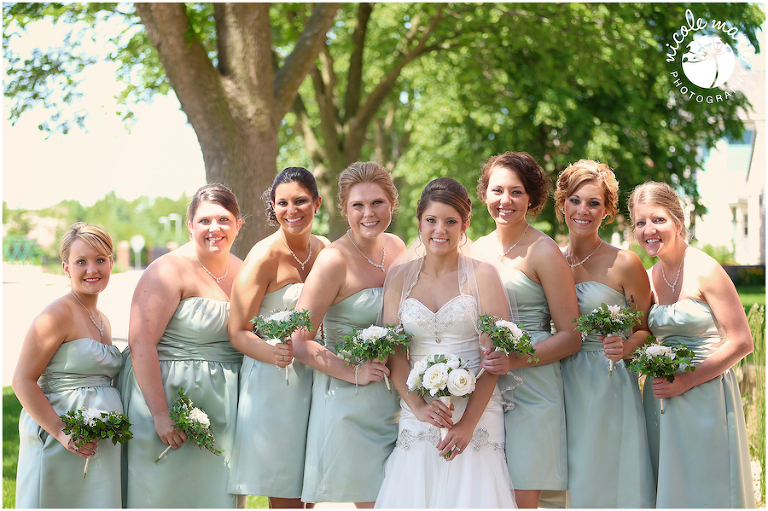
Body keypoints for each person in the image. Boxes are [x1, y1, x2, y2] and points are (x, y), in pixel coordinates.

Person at [374, 178, 517, 508]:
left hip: (477, 412)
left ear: (465, 224)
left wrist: (467, 425)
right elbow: (395, 352)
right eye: (431, 220)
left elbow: (494, 358)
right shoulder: (399, 277)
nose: (440, 230)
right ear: (419, 221)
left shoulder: (483, 276)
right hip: (418, 410)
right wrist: (419, 407)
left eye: (451, 221)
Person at [629, 181, 755, 508]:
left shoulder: (706, 269)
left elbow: (742, 342)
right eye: (640, 222)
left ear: (678, 221)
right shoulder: (647, 278)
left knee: (708, 485)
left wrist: (687, 380)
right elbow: (643, 335)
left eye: (658, 219)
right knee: (671, 487)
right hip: (660, 398)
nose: (648, 230)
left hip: (705, 392)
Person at [121, 184, 244, 508]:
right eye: (205, 221)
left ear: (238, 224)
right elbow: (140, 341)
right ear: (190, 227)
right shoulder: (167, 270)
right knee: (164, 495)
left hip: (224, 406)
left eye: (224, 219)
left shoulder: (244, 271)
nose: (215, 228)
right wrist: (161, 414)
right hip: (169, 397)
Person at [292, 161, 406, 507]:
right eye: (358, 205)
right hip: (350, 400)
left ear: (392, 203)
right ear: (344, 209)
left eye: (377, 203)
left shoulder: (398, 247)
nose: (368, 213)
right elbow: (299, 341)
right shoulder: (333, 261)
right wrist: (354, 371)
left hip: (397, 400)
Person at [472, 151, 580, 508]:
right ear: (484, 194)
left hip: (533, 385)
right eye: (497, 190)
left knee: (523, 495)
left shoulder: (544, 251)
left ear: (531, 198)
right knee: (485, 491)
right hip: (483, 383)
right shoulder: (475, 249)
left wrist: (515, 361)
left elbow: (571, 336)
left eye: (516, 192)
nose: (505, 200)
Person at [554, 160, 655, 508]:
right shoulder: (551, 260)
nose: (583, 210)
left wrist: (625, 348)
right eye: (575, 200)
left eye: (594, 203)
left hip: (607, 383)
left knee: (605, 480)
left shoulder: (625, 263)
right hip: (558, 380)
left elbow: (646, 330)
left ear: (607, 211)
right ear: (562, 204)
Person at [227, 167, 329, 508]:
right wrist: (273, 354)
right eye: (282, 203)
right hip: (276, 380)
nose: (291, 210)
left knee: (310, 488)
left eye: (300, 201)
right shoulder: (264, 256)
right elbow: (237, 331)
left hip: (317, 375)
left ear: (317, 203)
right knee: (285, 488)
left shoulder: (325, 249)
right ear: (273, 207)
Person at [13, 222, 123, 508]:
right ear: (66, 268)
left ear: (111, 262)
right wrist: (62, 431)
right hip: (60, 437)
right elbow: (22, 380)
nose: (92, 269)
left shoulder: (103, 319)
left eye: (100, 260)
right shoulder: (56, 315)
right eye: (81, 262)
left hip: (97, 443)